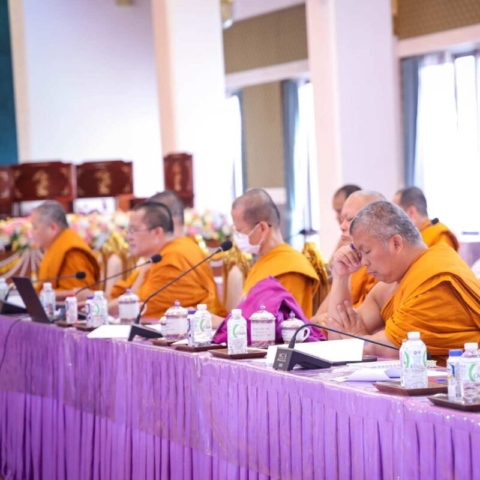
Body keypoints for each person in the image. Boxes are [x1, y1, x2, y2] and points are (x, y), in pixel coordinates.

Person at [326, 201, 480, 364]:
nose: (363, 262)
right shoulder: (387, 287)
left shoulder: (436, 279)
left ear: (396, 243)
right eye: (359, 254)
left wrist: (357, 339)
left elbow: (387, 348)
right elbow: (337, 338)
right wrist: (341, 276)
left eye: (367, 251)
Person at [109, 201, 225, 318]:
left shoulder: (175, 256)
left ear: (157, 232)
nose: (129, 237)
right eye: (129, 230)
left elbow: (140, 306)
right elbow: (122, 296)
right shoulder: (158, 256)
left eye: (134, 230)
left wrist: (107, 307)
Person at [231, 189, 319, 317]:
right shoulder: (263, 262)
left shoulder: (290, 268)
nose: (237, 237)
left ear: (262, 228)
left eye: (240, 231)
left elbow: (283, 322)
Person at [311, 191, 385, 325]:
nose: (342, 226)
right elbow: (315, 319)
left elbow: (349, 327)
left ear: (376, 222)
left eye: (350, 220)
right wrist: (318, 320)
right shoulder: (351, 262)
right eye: (341, 220)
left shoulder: (384, 270)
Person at [31, 200, 100, 293]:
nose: (32, 232)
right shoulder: (55, 247)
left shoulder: (72, 252)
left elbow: (79, 294)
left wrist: (43, 295)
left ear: (52, 228)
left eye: (35, 227)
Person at [393, 186, 459, 251]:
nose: (393, 218)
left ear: (411, 212)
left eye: (396, 212)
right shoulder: (407, 237)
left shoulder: (440, 237)